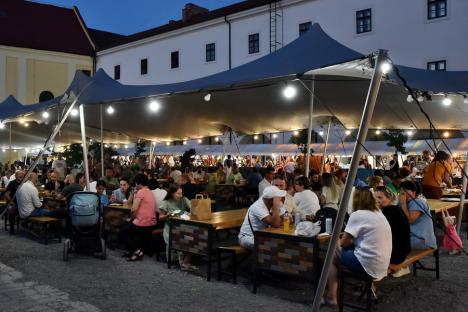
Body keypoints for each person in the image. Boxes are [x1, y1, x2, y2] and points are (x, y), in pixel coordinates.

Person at [325, 188, 392, 306]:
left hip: (368, 264)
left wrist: (337, 241)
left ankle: (332, 296)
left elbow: (343, 243)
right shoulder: (379, 213)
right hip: (382, 264)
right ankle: (369, 287)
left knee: (332, 255)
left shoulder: (357, 214)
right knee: (342, 251)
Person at [374, 186, 411, 277]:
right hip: (403, 251)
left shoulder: (387, 212)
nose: (377, 200)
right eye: (374, 198)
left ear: (389, 198)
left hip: (395, 255)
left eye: (380, 197)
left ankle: (370, 280)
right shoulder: (396, 209)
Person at [119, 173, 157, 261]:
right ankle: (132, 251)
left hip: (142, 222)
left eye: (136, 183)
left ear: (139, 183)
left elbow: (133, 208)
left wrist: (131, 217)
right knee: (127, 227)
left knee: (122, 232)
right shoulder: (149, 191)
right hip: (151, 222)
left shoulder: (141, 192)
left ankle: (137, 251)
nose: (135, 185)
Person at [159, 184, 194, 270]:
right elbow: (160, 218)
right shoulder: (165, 203)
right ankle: (182, 262)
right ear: (172, 193)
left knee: (195, 238)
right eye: (178, 194)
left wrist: (191, 212)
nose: (180, 195)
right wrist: (167, 215)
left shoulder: (183, 199)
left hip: (183, 227)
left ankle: (184, 261)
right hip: (170, 229)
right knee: (188, 239)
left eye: (181, 193)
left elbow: (193, 207)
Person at [399, 181, 437, 250]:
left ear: (414, 192)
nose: (403, 194)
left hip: (421, 240)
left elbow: (410, 220)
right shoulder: (406, 202)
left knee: (393, 245)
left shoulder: (419, 202)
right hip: (411, 236)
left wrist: (403, 203)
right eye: (401, 192)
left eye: (405, 191)